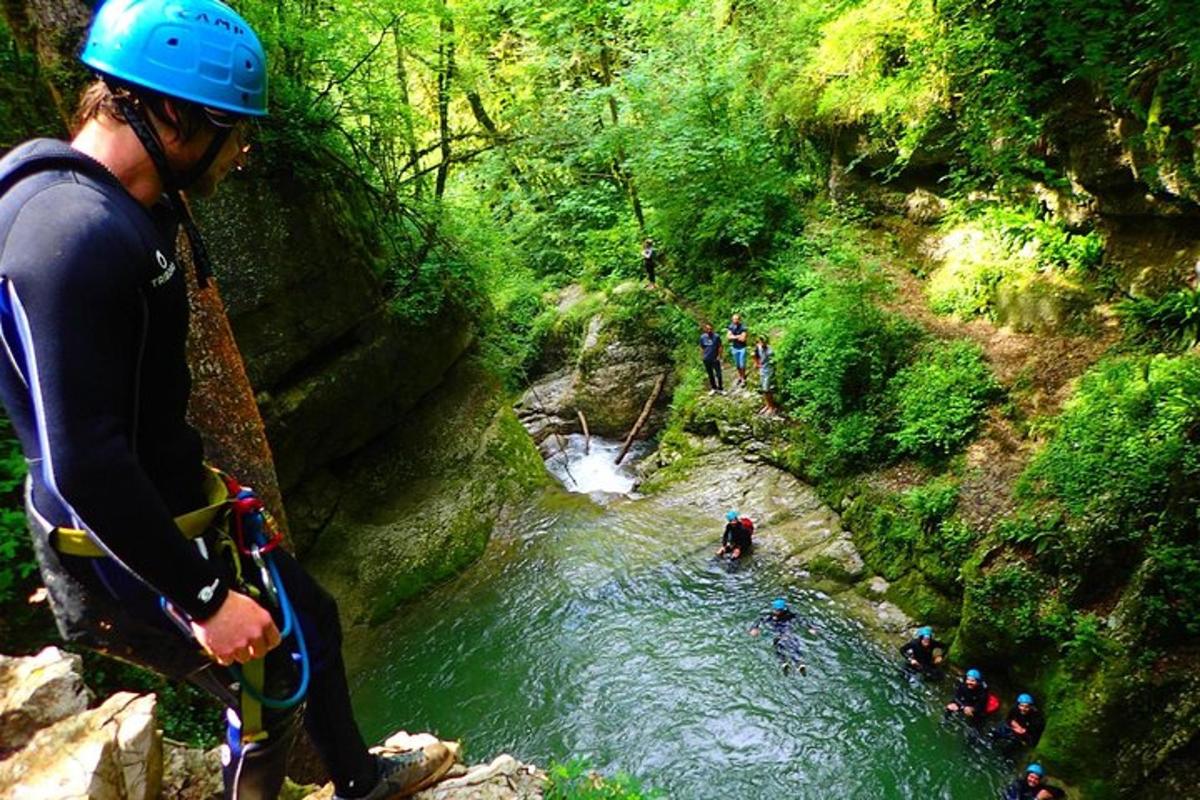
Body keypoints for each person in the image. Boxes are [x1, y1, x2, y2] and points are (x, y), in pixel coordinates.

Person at [0, 2, 454, 799]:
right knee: (268, 682)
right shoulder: (66, 235)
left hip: (163, 505)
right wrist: (205, 597)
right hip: (115, 541)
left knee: (306, 614)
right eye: (233, 132)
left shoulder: (108, 212)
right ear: (172, 113)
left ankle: (357, 779)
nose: (239, 154)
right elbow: (82, 461)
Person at [749, 598, 817, 675]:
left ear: (783, 610)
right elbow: (759, 619)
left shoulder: (790, 615)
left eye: (778, 610)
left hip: (787, 630)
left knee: (792, 643)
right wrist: (754, 628)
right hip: (777, 632)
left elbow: (801, 619)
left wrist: (810, 627)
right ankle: (783, 661)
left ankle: (798, 662)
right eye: (775, 610)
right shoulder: (771, 616)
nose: (776, 612)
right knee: (777, 642)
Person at [1002, 763, 1066, 800]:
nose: (1033, 780)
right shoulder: (1018, 785)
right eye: (1031, 777)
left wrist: (1050, 795)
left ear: (1039, 780)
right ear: (1027, 776)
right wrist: (1037, 799)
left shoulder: (1040, 787)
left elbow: (1061, 793)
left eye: (1036, 779)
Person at [753, 335, 777, 416]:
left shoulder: (770, 351)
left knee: (767, 389)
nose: (761, 343)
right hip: (762, 370)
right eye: (760, 341)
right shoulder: (758, 347)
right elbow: (754, 355)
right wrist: (757, 363)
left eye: (763, 341)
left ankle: (772, 407)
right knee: (763, 389)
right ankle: (767, 405)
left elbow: (774, 362)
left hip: (769, 371)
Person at [699, 322, 724, 394]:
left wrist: (719, 356)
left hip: (715, 358)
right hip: (706, 359)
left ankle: (721, 388)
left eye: (710, 329)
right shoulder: (702, 337)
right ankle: (713, 388)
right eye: (707, 329)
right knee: (710, 374)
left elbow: (720, 346)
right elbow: (701, 347)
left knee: (718, 374)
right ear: (705, 329)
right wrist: (702, 356)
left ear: (712, 329)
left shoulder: (716, 336)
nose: (709, 330)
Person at [726, 313, 748, 387]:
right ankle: (740, 376)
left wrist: (733, 336)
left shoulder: (743, 327)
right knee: (737, 364)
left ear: (739, 319)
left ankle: (743, 378)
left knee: (742, 364)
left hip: (742, 348)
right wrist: (738, 336)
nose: (735, 320)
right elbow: (728, 337)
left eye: (736, 319)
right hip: (734, 348)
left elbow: (743, 339)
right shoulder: (731, 326)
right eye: (734, 319)